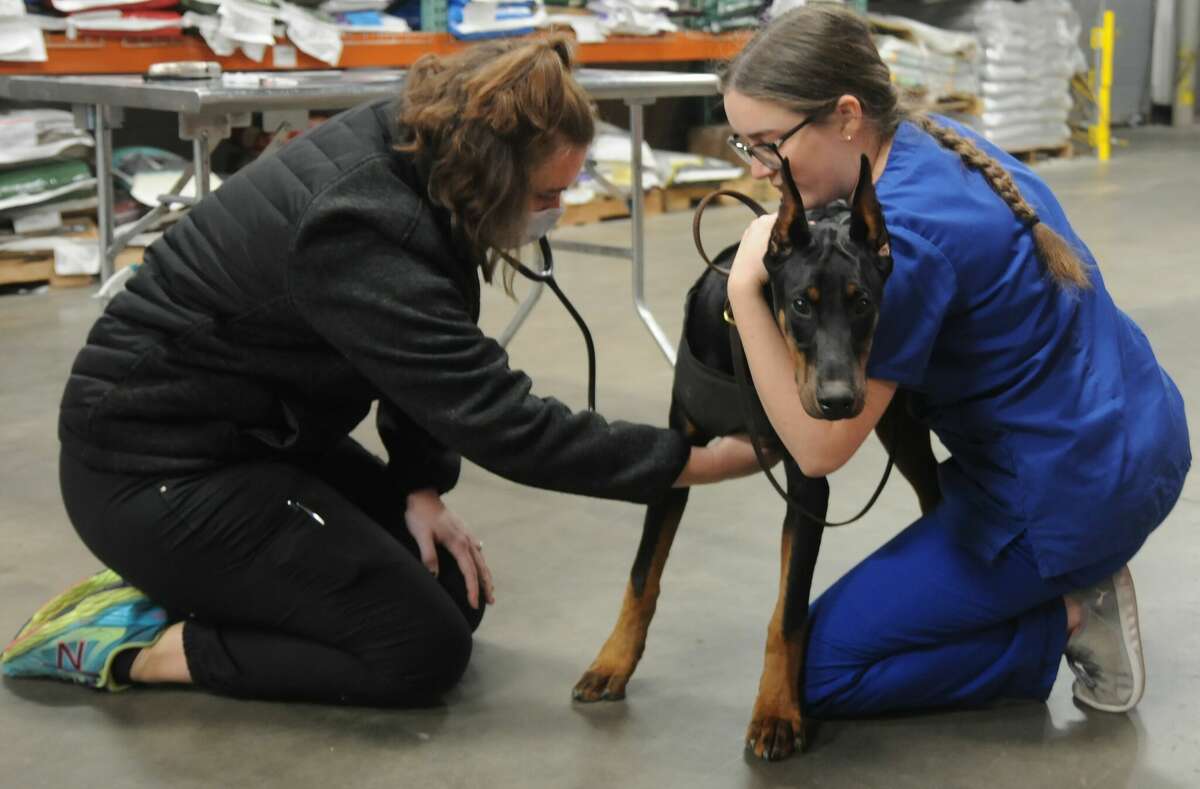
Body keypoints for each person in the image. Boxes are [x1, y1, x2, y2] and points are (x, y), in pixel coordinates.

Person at [1, 37, 762, 705]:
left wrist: (418, 485)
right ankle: (127, 647)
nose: (556, 211)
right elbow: (502, 419)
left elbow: (421, 351)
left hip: (251, 434)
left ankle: (191, 583)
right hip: (148, 470)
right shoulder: (360, 225)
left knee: (451, 593)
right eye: (546, 195)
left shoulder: (426, 149)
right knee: (417, 650)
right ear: (493, 172)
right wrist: (694, 461)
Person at [721, 6, 1189, 717]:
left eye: (767, 145)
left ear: (847, 116)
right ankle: (1065, 572)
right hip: (1133, 434)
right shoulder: (928, 145)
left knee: (815, 672)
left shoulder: (900, 242)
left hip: (1066, 495)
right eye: (744, 147)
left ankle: (1064, 615)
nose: (759, 170)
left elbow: (819, 452)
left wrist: (744, 290)